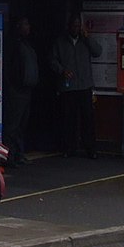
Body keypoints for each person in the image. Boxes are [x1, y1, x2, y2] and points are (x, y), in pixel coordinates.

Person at [49, 14, 101, 159]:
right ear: (69, 27)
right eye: (74, 26)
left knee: (88, 119)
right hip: (68, 86)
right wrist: (62, 70)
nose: (76, 29)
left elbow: (98, 52)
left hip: (85, 85)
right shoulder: (60, 42)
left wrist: (88, 37)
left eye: (78, 26)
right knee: (69, 119)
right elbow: (52, 60)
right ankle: (68, 148)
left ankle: (90, 148)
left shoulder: (85, 41)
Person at [3, 17, 38, 167]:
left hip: (26, 90)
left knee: (21, 125)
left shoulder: (26, 44)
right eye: (25, 24)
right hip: (17, 91)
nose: (28, 27)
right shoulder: (14, 45)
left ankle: (19, 154)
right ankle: (9, 157)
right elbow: (10, 67)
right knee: (13, 125)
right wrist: (12, 86)